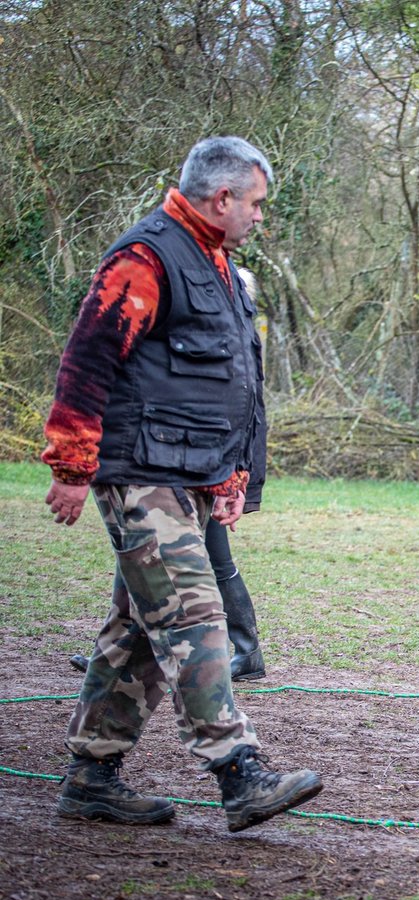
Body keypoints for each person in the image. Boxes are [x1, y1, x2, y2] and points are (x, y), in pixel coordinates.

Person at [42, 136, 321, 832]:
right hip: (141, 472)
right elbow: (88, 360)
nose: (260, 215)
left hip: (187, 473)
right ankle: (238, 772)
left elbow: (227, 382)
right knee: (194, 614)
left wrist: (231, 473)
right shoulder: (147, 257)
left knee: (141, 630)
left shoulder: (217, 264)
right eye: (256, 202)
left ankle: (91, 777)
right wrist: (72, 465)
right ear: (222, 198)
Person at [69, 269, 269, 683]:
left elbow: (246, 416)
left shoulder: (231, 344)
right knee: (140, 558)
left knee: (208, 560)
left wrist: (237, 477)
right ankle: (118, 658)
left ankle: (245, 652)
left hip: (207, 469)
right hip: (184, 463)